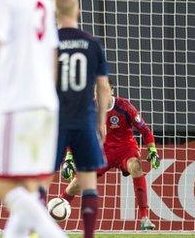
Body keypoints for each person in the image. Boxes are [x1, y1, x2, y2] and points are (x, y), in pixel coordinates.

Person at [0, 0, 67, 237]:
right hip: (46, 102)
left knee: (4, 186)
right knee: (30, 189)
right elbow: (53, 54)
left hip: (18, 103)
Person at [49, 0, 112, 238]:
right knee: (88, 181)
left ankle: (36, 231)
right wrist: (101, 122)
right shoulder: (93, 43)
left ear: (54, 14)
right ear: (78, 11)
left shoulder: (49, 42)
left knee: (43, 180)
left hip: (56, 120)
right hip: (85, 119)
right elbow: (103, 86)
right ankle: (88, 235)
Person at [60, 84, 160, 231]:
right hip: (101, 152)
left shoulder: (124, 106)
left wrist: (152, 150)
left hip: (125, 149)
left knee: (136, 166)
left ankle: (145, 218)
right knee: (77, 183)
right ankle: (54, 211)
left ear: (111, 91)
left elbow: (144, 130)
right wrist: (69, 158)